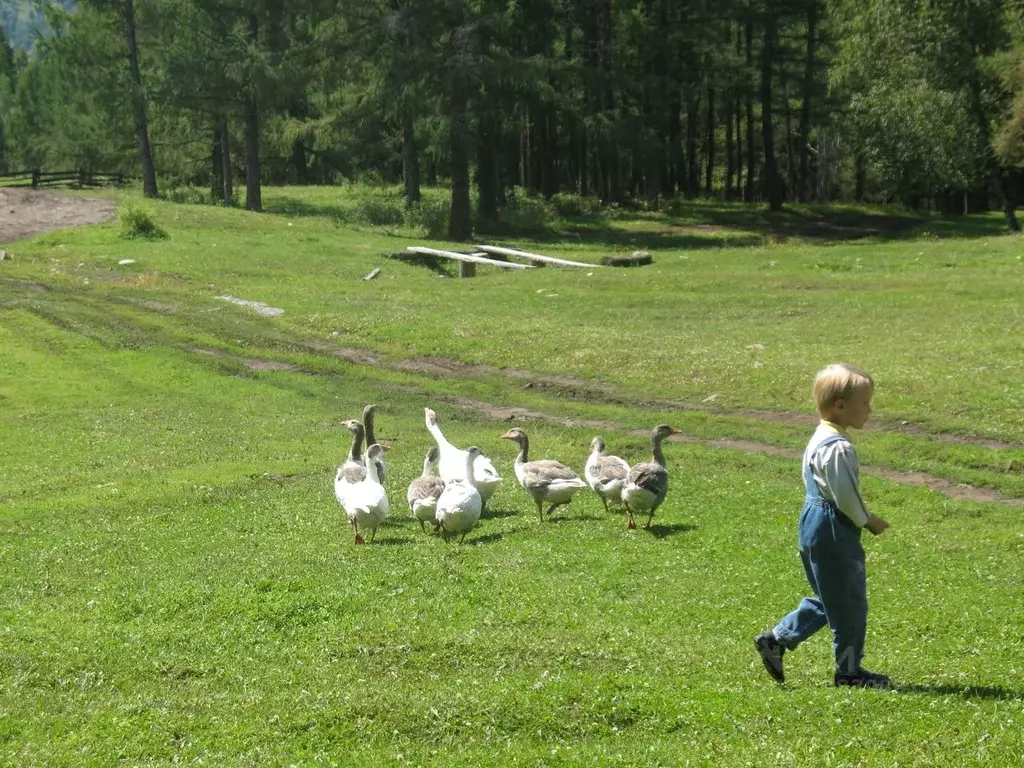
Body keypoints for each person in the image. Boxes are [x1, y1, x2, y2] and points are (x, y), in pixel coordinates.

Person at [754, 363, 892, 688]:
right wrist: (867, 519)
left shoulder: (822, 435)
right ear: (840, 406)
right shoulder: (837, 447)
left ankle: (777, 639)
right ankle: (849, 672)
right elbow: (844, 494)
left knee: (831, 596)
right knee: (850, 607)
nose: (870, 409)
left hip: (814, 523)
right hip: (832, 526)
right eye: (865, 403)